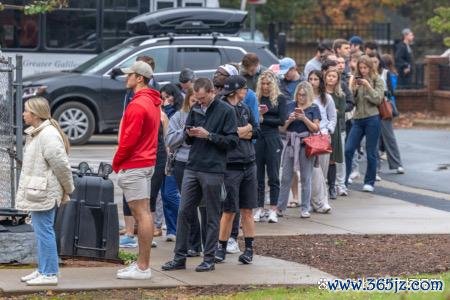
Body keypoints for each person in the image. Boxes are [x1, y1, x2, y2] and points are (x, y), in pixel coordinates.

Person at [162, 78, 238, 273]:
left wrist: (209, 135)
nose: (200, 102)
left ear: (213, 92)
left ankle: (209, 258)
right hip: (192, 165)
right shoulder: (195, 109)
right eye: (197, 98)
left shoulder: (226, 111)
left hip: (213, 168)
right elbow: (186, 136)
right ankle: (179, 257)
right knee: (184, 212)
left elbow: (232, 142)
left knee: (211, 215)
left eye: (203, 98)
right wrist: (189, 133)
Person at [16, 97, 74, 286]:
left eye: (26, 111)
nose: (23, 114)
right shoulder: (37, 133)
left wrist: (68, 188)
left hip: (44, 192)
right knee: (41, 231)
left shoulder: (48, 134)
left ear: (35, 114)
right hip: (38, 190)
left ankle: (49, 273)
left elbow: (61, 165)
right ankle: (43, 269)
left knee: (45, 231)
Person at [113, 61, 161, 280]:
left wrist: (117, 162)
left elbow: (128, 140)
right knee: (144, 213)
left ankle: (143, 267)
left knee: (141, 215)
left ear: (139, 78)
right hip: (146, 162)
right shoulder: (151, 102)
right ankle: (142, 265)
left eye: (129, 75)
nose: (126, 78)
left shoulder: (137, 104)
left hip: (135, 164)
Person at [214, 75, 259, 264]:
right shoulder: (222, 109)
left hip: (249, 163)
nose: (246, 91)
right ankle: (221, 247)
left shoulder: (245, 108)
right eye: (244, 88)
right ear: (235, 90)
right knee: (229, 210)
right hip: (230, 166)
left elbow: (256, 130)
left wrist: (245, 131)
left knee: (247, 209)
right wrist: (243, 130)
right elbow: (225, 136)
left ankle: (249, 249)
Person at [165, 88, 203, 257]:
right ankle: (193, 244)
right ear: (188, 100)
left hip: (203, 163)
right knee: (187, 205)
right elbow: (170, 140)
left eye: (200, 101)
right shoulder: (178, 117)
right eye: (194, 101)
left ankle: (210, 242)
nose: (197, 105)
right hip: (182, 163)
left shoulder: (209, 115)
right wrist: (185, 132)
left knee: (206, 206)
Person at [277, 82, 321, 218]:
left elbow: (316, 128)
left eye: (303, 95)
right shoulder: (290, 105)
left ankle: (305, 208)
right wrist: (289, 120)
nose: (300, 97)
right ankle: (280, 207)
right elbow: (281, 129)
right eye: (299, 94)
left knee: (306, 178)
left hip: (305, 144)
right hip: (290, 143)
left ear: (308, 95)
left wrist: (304, 118)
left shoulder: (314, 108)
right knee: (285, 177)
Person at [345, 55, 384, 192]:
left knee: (371, 151)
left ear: (370, 67)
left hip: (372, 118)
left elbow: (378, 99)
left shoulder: (377, 79)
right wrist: (353, 88)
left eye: (365, 68)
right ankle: (344, 179)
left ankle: (369, 182)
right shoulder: (356, 79)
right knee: (348, 149)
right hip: (358, 119)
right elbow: (351, 101)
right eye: (360, 68)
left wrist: (367, 86)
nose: (363, 71)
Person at [253, 70, 288, 223]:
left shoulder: (280, 99)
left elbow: (282, 120)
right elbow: (251, 118)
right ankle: (259, 207)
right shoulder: (256, 98)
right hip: (259, 138)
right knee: (258, 176)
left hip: (273, 138)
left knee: (273, 175)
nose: (266, 86)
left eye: (268, 83)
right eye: (263, 84)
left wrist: (263, 118)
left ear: (273, 84)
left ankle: (273, 209)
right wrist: (259, 118)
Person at [369, 53, 405, 175]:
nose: (374, 63)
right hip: (370, 108)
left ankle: (397, 164)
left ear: (379, 62)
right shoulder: (365, 74)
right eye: (371, 61)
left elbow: (391, 92)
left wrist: (381, 92)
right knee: (373, 139)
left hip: (383, 107)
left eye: (375, 61)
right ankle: (376, 168)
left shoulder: (385, 73)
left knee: (389, 137)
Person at [159, 83, 185, 242]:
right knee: (164, 194)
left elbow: (171, 133)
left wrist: (166, 110)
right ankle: (172, 228)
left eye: (168, 97)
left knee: (170, 194)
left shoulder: (178, 113)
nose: (166, 100)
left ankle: (185, 221)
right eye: (163, 98)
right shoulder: (162, 111)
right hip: (163, 157)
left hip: (175, 157)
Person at [308, 70, 336, 213]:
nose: (312, 82)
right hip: (309, 137)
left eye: (315, 79)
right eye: (310, 79)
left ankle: (320, 200)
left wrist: (329, 130)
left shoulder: (327, 98)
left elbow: (332, 117)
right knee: (315, 171)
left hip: (323, 136)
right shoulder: (305, 97)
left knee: (323, 172)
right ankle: (320, 202)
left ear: (320, 81)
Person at [324, 68, 346, 199]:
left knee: (332, 160)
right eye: (329, 76)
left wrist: (333, 112)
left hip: (334, 130)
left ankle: (332, 187)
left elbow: (341, 113)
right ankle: (322, 186)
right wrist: (333, 111)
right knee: (320, 160)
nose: (331, 78)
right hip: (321, 128)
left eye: (334, 76)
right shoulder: (320, 93)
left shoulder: (340, 95)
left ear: (337, 79)